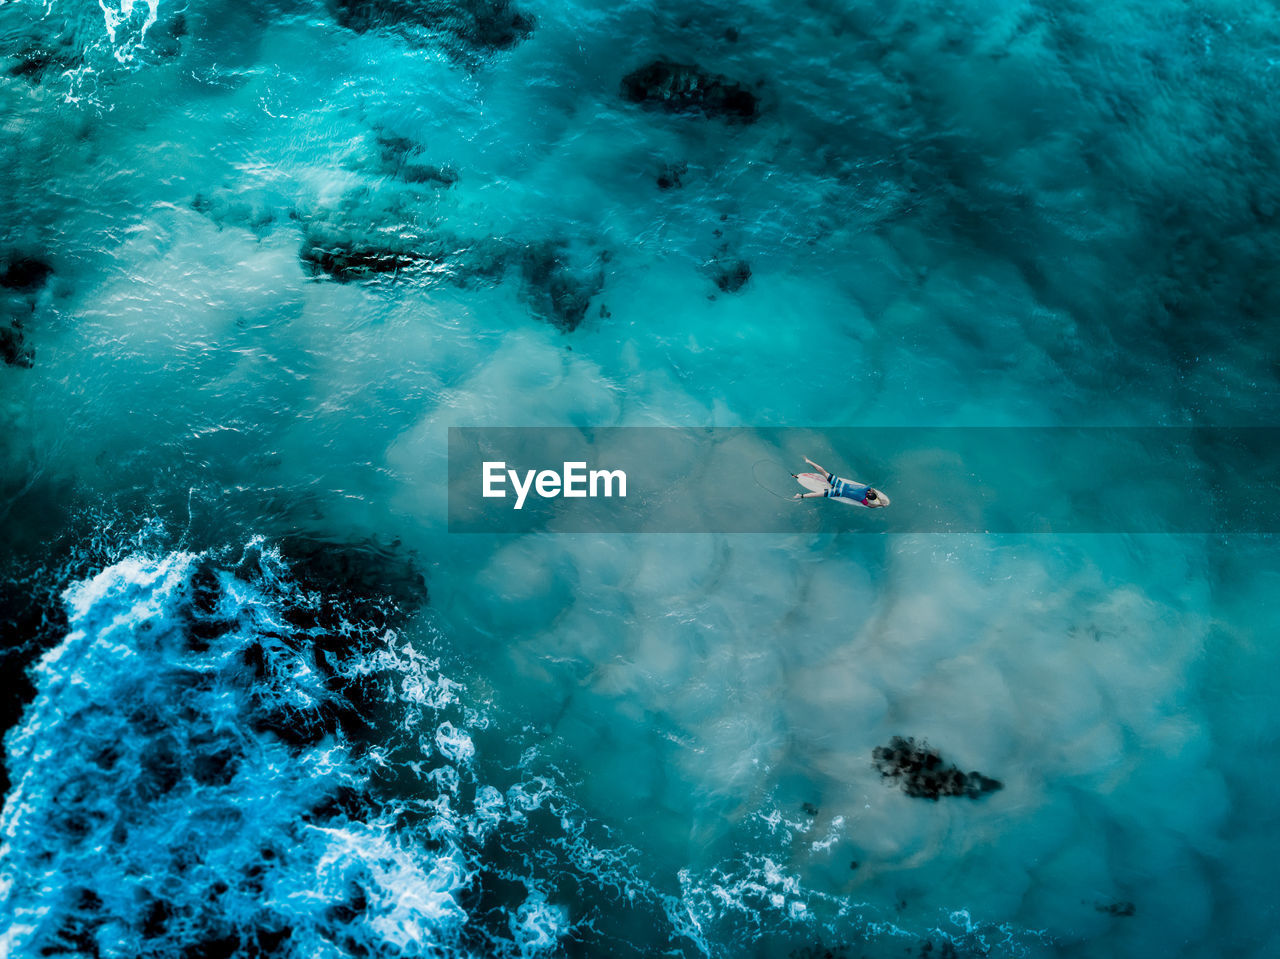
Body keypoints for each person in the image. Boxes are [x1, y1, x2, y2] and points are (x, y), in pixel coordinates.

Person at [794, 456, 889, 507]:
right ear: (868, 497)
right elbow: (870, 506)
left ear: (869, 492)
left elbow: (873, 490)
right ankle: (800, 495)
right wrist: (880, 504)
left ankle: (808, 461)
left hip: (839, 483)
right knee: (818, 494)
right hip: (838, 492)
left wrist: (877, 496)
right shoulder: (862, 500)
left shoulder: (866, 488)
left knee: (823, 471)